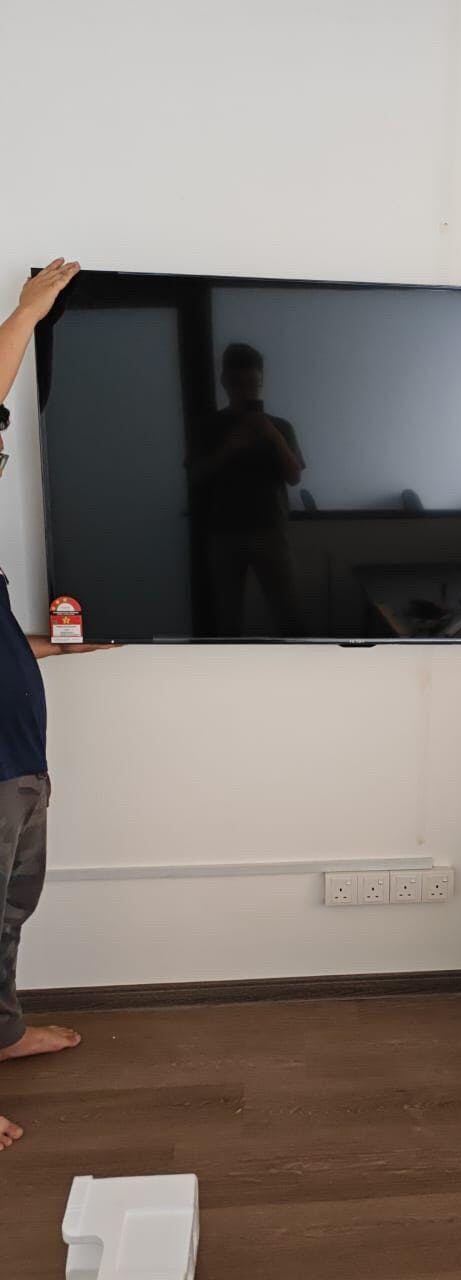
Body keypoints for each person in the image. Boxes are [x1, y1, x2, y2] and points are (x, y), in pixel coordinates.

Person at [0, 259, 109, 1151]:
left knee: (11, 911)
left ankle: (1, 1033)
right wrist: (29, 312)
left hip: (19, 757)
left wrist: (47, 648)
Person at [188, 342, 305, 637]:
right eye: (239, 383)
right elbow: (195, 475)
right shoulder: (209, 427)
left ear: (261, 382)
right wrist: (230, 447)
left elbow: (294, 477)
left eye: (254, 383)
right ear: (225, 382)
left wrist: (272, 436)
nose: (247, 391)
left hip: (271, 531)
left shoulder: (280, 427)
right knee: (228, 620)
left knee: (289, 615)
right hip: (224, 533)